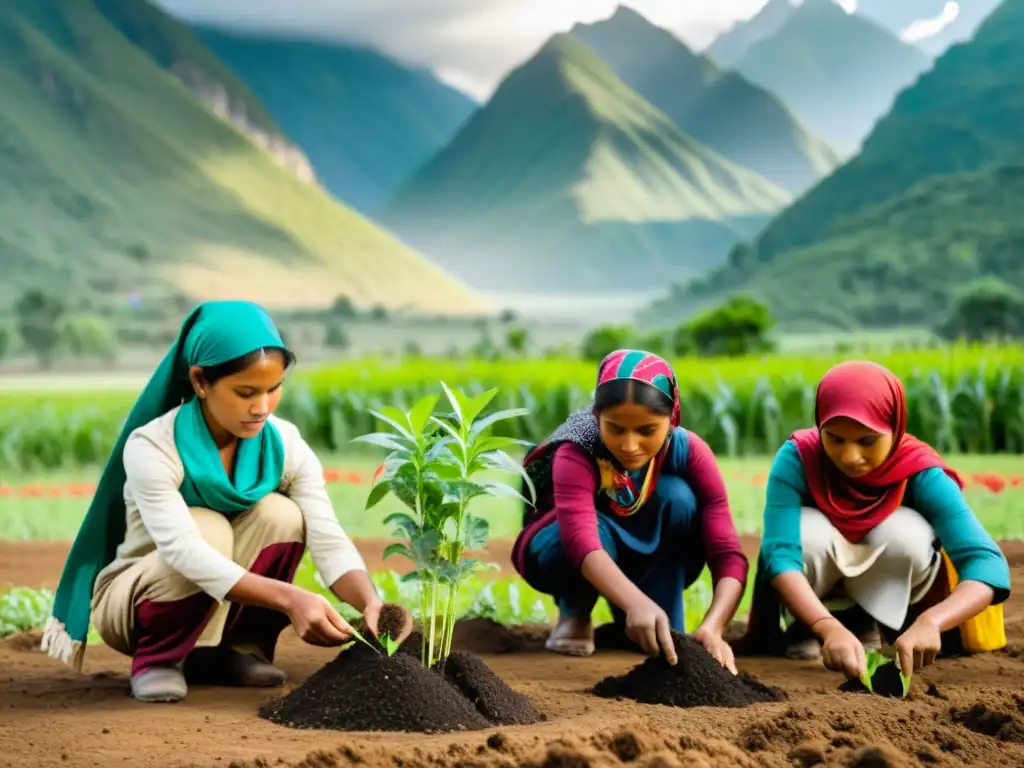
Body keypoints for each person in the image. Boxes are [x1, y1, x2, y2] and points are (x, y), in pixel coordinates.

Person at [41, 301, 408, 703]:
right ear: (200, 381)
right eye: (246, 392)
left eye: (274, 388)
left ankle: (232, 651)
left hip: (216, 594)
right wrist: (291, 598)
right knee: (207, 530)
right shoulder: (154, 446)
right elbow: (184, 552)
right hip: (133, 600)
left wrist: (372, 603)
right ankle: (158, 661)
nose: (262, 407)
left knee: (283, 515)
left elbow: (327, 537)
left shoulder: (284, 443)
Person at [739, 360, 1010, 681]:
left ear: (894, 428)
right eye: (835, 439)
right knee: (806, 534)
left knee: (907, 533)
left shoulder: (920, 471)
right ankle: (808, 626)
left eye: (867, 441)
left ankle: (871, 620)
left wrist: (932, 622)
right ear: (819, 424)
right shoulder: (799, 457)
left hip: (894, 596)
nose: (850, 456)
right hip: (816, 594)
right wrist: (827, 627)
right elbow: (779, 555)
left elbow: (986, 562)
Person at [511, 349, 749, 671]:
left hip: (651, 552)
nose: (630, 445)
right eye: (616, 429)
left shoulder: (689, 450)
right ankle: (575, 611)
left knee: (679, 498)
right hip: (569, 548)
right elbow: (580, 539)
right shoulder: (576, 448)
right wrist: (636, 603)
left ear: (672, 418)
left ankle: (642, 614)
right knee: (572, 533)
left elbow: (727, 551)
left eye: (647, 430)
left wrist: (714, 627)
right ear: (597, 418)